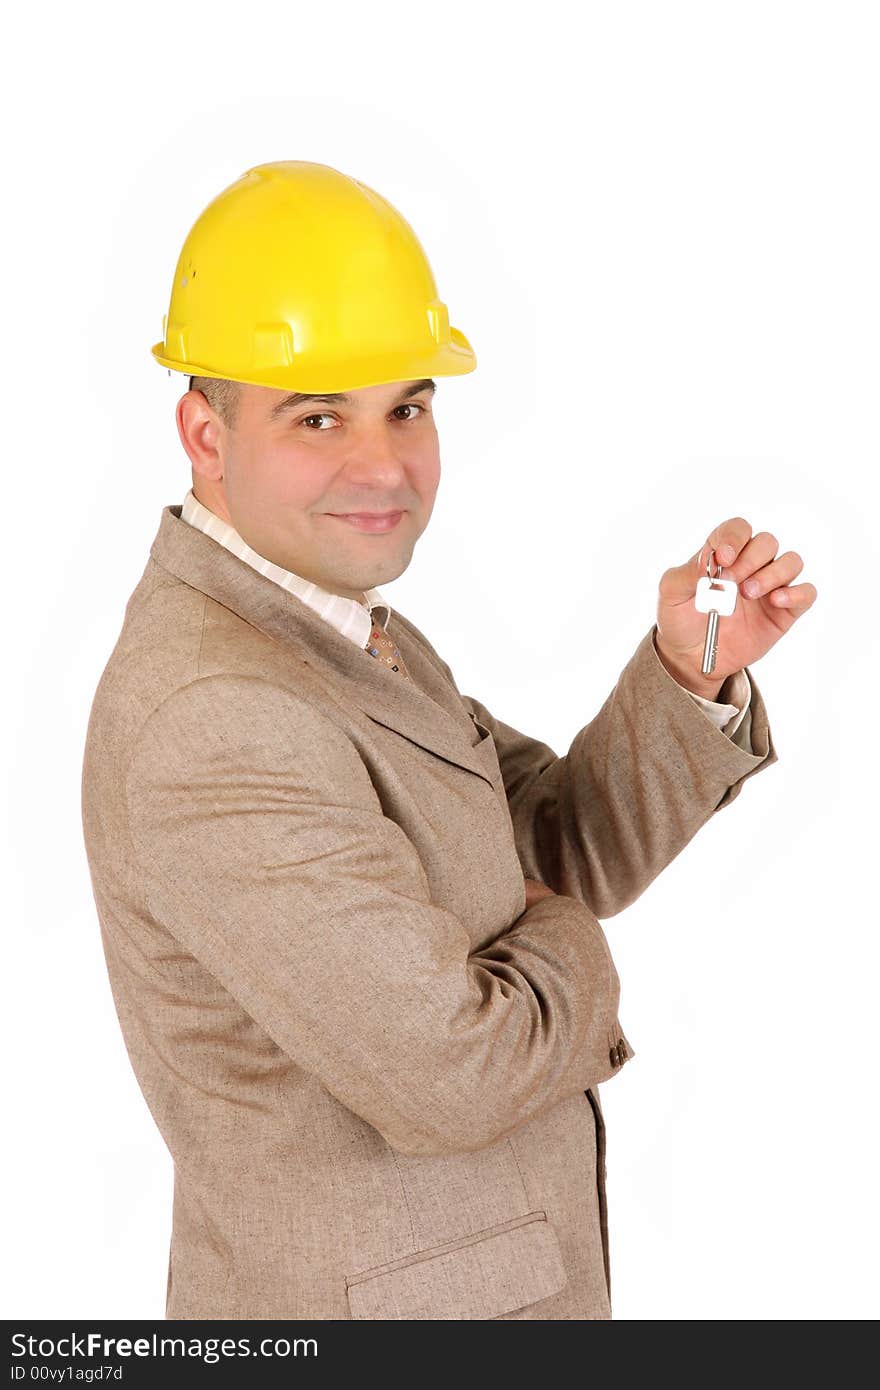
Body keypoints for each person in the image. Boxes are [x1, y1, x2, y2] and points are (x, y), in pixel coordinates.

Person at [81, 160, 812, 1321]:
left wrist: (687, 671)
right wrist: (568, 939)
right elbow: (453, 1076)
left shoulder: (348, 628)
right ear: (202, 431)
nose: (384, 467)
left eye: (406, 408)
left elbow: (549, 844)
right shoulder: (217, 714)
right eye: (317, 415)